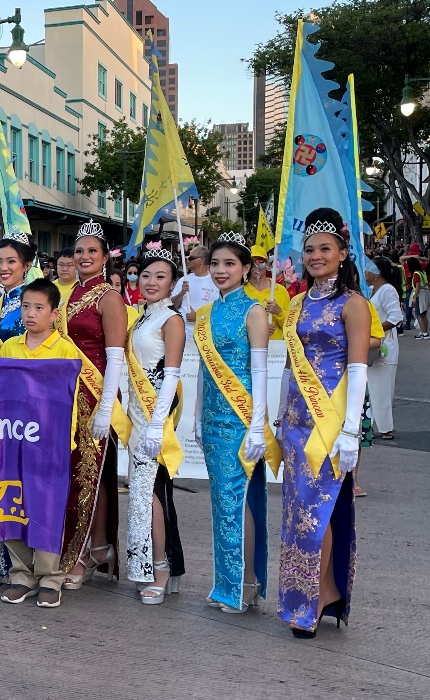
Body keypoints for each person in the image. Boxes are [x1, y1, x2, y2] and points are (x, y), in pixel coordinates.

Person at [275, 210, 369, 637]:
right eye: (310, 249)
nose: (316, 256)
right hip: (296, 422)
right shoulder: (297, 303)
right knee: (299, 512)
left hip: (330, 423)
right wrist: (280, 417)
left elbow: (359, 369)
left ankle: (309, 601)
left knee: (316, 511)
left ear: (342, 253)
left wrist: (351, 432)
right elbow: (289, 366)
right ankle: (322, 591)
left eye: (325, 249)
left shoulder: (354, 304)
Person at [195, 232, 280, 614]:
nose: (220, 270)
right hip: (213, 420)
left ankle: (243, 584)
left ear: (246, 268)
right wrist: (198, 416)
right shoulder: (206, 313)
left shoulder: (254, 310)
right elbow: (203, 370)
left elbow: (260, 370)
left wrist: (258, 425)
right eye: (215, 263)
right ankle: (228, 583)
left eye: (229, 264)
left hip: (241, 418)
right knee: (222, 503)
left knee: (237, 501)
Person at [0, 279, 83, 608]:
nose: (30, 314)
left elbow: (71, 401)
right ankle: (21, 574)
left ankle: (50, 577)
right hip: (13, 440)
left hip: (49, 441)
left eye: (38, 307)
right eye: (25, 307)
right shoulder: (10, 347)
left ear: (54, 313)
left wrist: (65, 440)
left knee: (46, 506)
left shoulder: (64, 350)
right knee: (12, 502)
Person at [58, 222, 128, 590]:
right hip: (69, 397)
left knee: (91, 474)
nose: (84, 257)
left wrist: (105, 407)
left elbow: (115, 356)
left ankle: (83, 553)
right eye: (79, 251)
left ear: (104, 258)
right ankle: (98, 546)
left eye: (92, 251)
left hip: (97, 395)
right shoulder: (68, 294)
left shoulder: (109, 297)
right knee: (78, 474)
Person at [124, 250, 186, 605]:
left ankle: (160, 568)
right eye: (146, 275)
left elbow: (172, 374)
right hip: (137, 412)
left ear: (173, 283)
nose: (151, 282)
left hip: (154, 413)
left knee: (150, 492)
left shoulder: (171, 319)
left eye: (160, 276)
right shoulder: (141, 317)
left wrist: (157, 424)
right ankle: (151, 565)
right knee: (143, 491)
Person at [366, 257, 403, 440]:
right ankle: (371, 425)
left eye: (368, 269)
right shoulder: (372, 290)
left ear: (377, 272)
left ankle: (386, 428)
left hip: (385, 344)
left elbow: (396, 317)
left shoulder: (387, 290)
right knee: (372, 388)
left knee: (382, 389)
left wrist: (376, 330)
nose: (365, 272)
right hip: (373, 343)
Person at [0, 229, 35, 356]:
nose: (3, 268)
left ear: (26, 265)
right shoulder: (0, 302)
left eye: (11, 261)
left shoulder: (34, 303)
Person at [244, 246, 291, 339]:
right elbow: (233, 325)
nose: (256, 265)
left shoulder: (280, 291)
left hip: (275, 347)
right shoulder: (241, 290)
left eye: (260, 261)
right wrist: (258, 328)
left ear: (268, 265)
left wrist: (280, 312)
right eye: (252, 262)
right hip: (250, 346)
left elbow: (291, 326)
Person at [172, 245, 217, 338]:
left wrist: (199, 316)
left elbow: (217, 310)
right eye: (187, 257)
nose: (187, 260)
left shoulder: (214, 282)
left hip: (204, 336)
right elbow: (172, 306)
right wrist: (181, 293)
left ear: (201, 260)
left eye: (191, 258)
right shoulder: (183, 280)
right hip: (182, 333)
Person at [405, 256, 428, 338]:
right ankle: (424, 331)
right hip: (425, 293)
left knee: (419, 314)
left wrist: (414, 297)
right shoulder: (423, 272)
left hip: (419, 294)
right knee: (423, 314)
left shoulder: (416, 274)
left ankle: (424, 333)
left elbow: (417, 286)